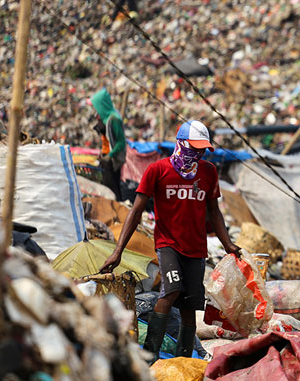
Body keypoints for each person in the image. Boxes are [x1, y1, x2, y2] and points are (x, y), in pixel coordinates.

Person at [100, 120, 240, 360]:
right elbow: (135, 212)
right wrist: (117, 251)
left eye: (203, 149)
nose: (199, 153)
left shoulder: (208, 172)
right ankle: (150, 355)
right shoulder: (158, 170)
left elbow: (214, 212)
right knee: (171, 291)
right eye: (194, 147)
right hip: (168, 244)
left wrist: (228, 244)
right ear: (181, 144)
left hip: (196, 248)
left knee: (190, 305)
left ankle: (184, 358)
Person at [90, 88, 126, 201]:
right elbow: (107, 140)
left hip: (112, 159)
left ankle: (118, 210)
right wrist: (103, 152)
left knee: (112, 188)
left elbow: (121, 142)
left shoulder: (113, 119)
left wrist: (109, 155)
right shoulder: (105, 119)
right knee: (107, 186)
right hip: (107, 157)